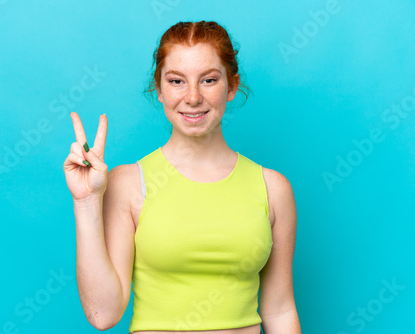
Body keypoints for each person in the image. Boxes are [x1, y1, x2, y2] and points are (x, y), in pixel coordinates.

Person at [63, 20, 301, 334]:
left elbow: (280, 310)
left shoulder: (273, 188)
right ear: (159, 89)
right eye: (176, 81)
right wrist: (86, 202)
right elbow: (103, 315)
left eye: (209, 80)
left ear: (231, 86)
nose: (192, 97)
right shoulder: (129, 183)